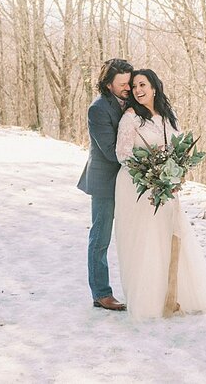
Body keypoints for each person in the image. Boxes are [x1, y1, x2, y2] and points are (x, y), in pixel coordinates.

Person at [114, 69, 206, 319]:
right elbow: (123, 154)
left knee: (168, 235)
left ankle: (174, 295)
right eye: (133, 87)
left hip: (166, 186)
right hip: (137, 187)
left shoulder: (167, 115)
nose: (138, 90)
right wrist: (149, 173)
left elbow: (176, 147)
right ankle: (148, 302)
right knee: (146, 240)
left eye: (142, 84)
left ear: (154, 86)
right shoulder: (131, 117)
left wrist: (174, 172)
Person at [77, 58, 134, 311]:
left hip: (129, 182)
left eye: (129, 83)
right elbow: (112, 152)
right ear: (108, 84)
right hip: (104, 182)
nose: (128, 88)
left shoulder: (132, 103)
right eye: (122, 84)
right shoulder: (98, 109)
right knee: (100, 238)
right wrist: (147, 158)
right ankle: (101, 293)